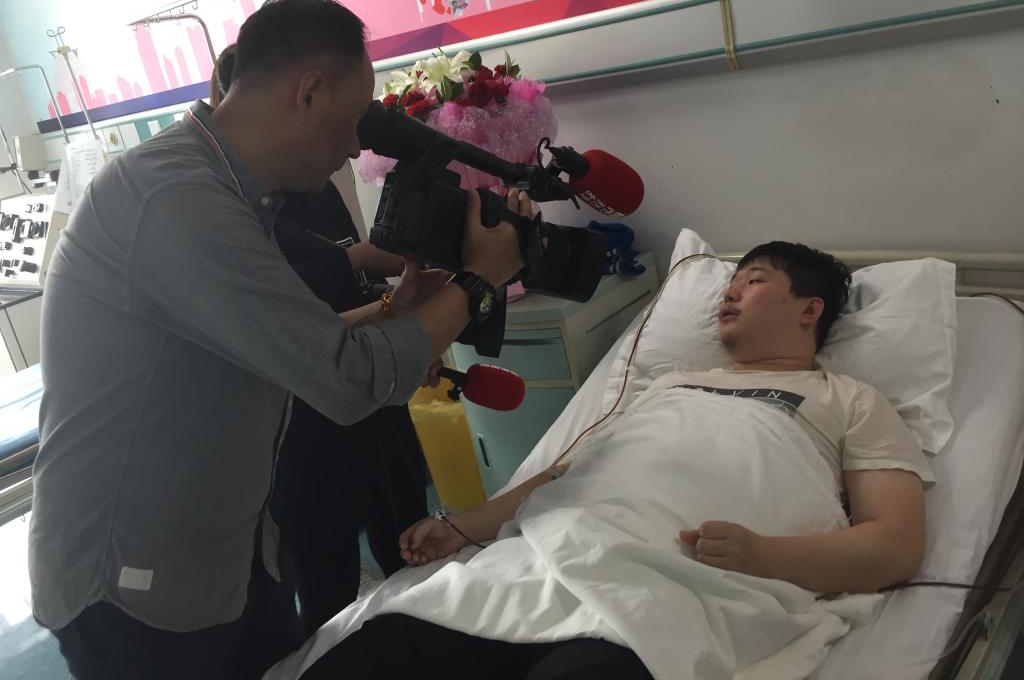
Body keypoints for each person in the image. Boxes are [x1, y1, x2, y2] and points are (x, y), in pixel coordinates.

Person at [29, 0, 529, 680]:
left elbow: (276, 343)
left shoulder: (228, 191)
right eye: (350, 122)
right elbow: (347, 379)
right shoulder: (174, 198)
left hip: (230, 558)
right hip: (133, 588)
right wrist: (478, 282)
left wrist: (397, 310)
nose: (353, 147)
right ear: (309, 93)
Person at [298, 242, 932, 678]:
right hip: (538, 564)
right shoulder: (669, 384)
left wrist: (763, 555)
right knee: (373, 658)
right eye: (730, 282)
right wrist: (462, 527)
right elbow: (564, 473)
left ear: (810, 309)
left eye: (754, 281)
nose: (730, 293)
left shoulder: (850, 401)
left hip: (672, 592)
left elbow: (896, 544)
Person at [210, 43, 432, 636]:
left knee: (407, 533)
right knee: (325, 574)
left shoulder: (312, 182)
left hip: (370, 392)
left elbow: (353, 278)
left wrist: (401, 318)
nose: (353, 147)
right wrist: (383, 282)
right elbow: (303, 312)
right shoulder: (228, 211)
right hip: (303, 423)